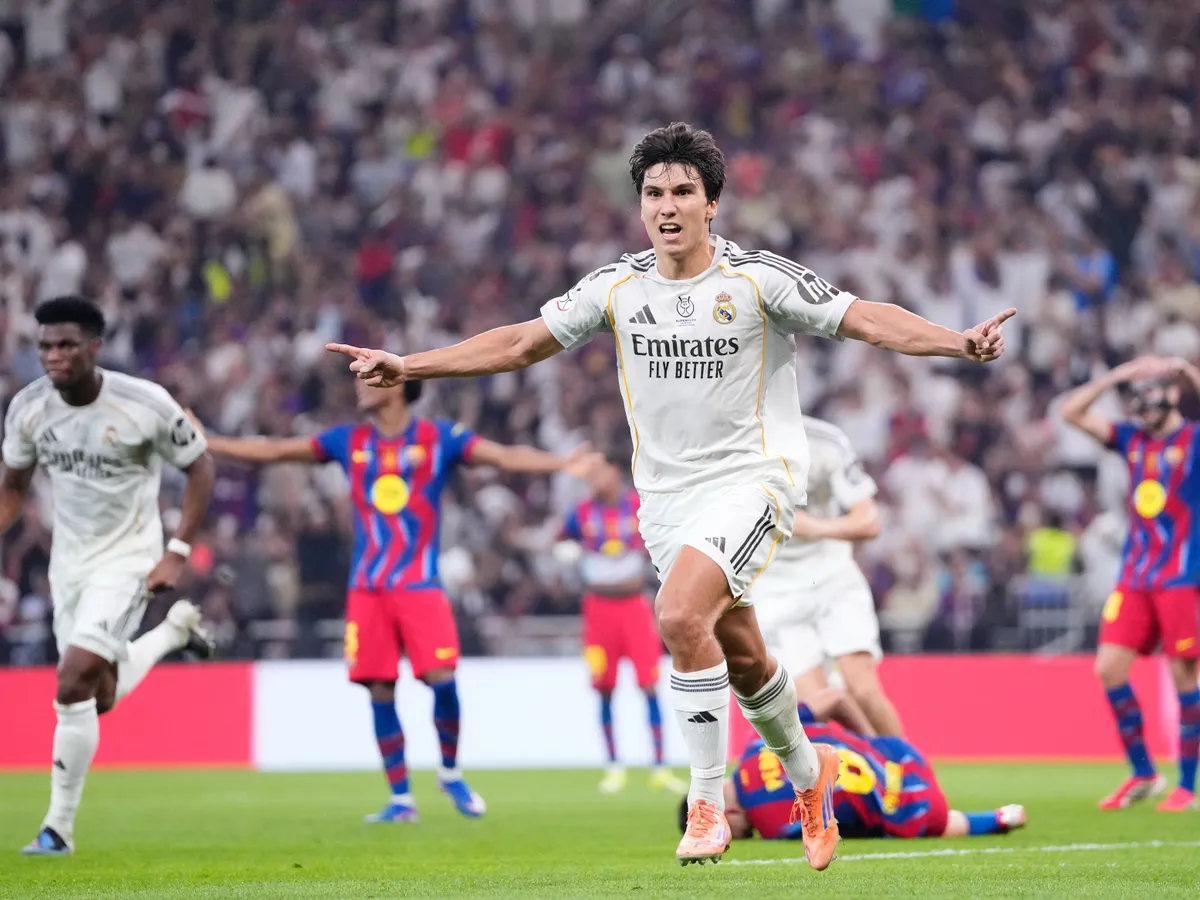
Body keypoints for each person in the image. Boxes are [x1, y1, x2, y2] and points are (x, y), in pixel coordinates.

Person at [327, 122, 1015, 867]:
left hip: (755, 482)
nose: (667, 205)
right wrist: (413, 367)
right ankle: (809, 778)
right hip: (667, 503)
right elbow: (521, 343)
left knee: (680, 613)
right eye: (653, 192)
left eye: (683, 191)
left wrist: (957, 341)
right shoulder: (617, 287)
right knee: (744, 657)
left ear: (712, 203)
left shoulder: (758, 278)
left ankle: (707, 805)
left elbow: (865, 320)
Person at [191, 378, 595, 823]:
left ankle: (449, 770)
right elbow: (275, 451)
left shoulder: (438, 438)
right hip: (368, 588)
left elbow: (502, 456)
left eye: (370, 379)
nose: (358, 386)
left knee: (442, 678)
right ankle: (401, 799)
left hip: (420, 584)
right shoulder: (350, 441)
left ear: (398, 387)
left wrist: (561, 462)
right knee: (379, 689)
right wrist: (209, 441)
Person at [1, 296, 215, 856]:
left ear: (95, 347)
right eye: (45, 345)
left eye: (67, 344)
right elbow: (13, 488)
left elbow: (201, 466)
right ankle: (173, 634)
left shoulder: (143, 404)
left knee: (72, 680)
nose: (53, 355)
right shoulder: (28, 409)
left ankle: (56, 830)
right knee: (98, 700)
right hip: (68, 566)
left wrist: (177, 551)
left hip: (129, 563)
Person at [1060, 355, 1200, 812]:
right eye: (1136, 399)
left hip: (1181, 575)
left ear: (1173, 395)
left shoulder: (1193, 439)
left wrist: (1189, 373)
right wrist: (1116, 375)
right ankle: (1144, 773)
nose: (1143, 406)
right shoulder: (1131, 440)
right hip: (1136, 576)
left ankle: (1187, 784)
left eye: (1152, 395)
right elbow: (1070, 413)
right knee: (1108, 668)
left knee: (1184, 678)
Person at [688, 689, 1026, 841]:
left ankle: (997, 817)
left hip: (916, 804)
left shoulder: (776, 826)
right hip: (898, 754)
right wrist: (873, 743)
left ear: (728, 814)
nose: (748, 837)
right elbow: (835, 698)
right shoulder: (755, 743)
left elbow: (850, 828)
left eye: (740, 836)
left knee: (897, 824)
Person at [752, 415, 903, 736]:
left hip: (832, 573)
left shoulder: (825, 440)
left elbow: (869, 523)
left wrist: (813, 528)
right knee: (816, 706)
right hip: (774, 589)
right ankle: (870, 770)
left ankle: (912, 777)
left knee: (863, 690)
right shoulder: (730, 447)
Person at [556, 458, 687, 795]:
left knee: (649, 685)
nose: (595, 478)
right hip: (597, 610)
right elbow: (559, 540)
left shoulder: (639, 507)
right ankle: (613, 766)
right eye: (591, 473)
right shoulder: (580, 513)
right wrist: (566, 555)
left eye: (600, 471)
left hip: (634, 608)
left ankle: (659, 766)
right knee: (604, 687)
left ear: (617, 473)